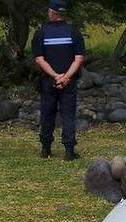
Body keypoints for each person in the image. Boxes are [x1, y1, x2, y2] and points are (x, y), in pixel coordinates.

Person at [31, 0, 85, 161]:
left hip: (49, 81)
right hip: (69, 81)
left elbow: (39, 59)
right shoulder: (74, 32)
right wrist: (66, 76)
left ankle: (45, 149)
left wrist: (55, 76)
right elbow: (79, 58)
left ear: (52, 13)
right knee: (68, 115)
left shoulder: (41, 33)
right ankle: (69, 151)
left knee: (47, 114)